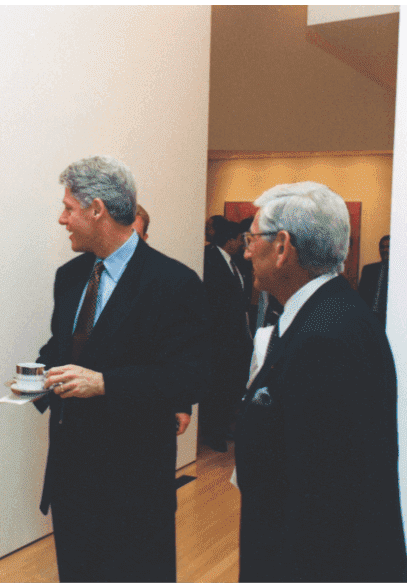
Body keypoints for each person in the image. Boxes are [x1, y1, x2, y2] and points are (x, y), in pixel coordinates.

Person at [36, 156, 209, 583]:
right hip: (71, 479)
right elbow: (61, 348)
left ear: (97, 210)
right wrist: (36, 376)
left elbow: (189, 375)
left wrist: (105, 384)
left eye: (69, 208)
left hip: (132, 485)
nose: (62, 220)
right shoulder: (70, 276)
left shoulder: (174, 283)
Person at [237, 182, 407, 583]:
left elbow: (324, 496)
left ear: (282, 247)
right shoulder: (331, 314)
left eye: (251, 238)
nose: (245, 251)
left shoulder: (324, 338)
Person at [200, 216, 252, 451]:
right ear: (229, 240)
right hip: (219, 338)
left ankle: (223, 426)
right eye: (240, 239)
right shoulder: (209, 260)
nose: (243, 243)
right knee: (218, 387)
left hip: (237, 336)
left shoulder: (236, 263)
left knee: (231, 385)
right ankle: (214, 433)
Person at [358, 233, 390, 327]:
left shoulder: (397, 274)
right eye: (382, 247)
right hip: (368, 319)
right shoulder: (368, 270)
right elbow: (361, 295)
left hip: (388, 321)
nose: (385, 250)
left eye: (388, 247)